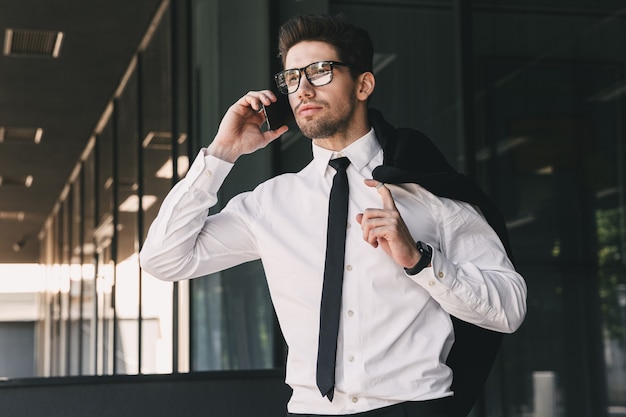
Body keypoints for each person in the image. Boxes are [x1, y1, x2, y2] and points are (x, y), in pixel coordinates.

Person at [140, 13, 527, 417]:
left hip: (415, 407)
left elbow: (509, 309)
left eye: (320, 71)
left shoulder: (429, 190)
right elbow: (163, 259)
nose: (302, 89)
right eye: (291, 78)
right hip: (311, 410)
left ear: (363, 84)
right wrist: (222, 153)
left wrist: (420, 259)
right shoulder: (270, 204)